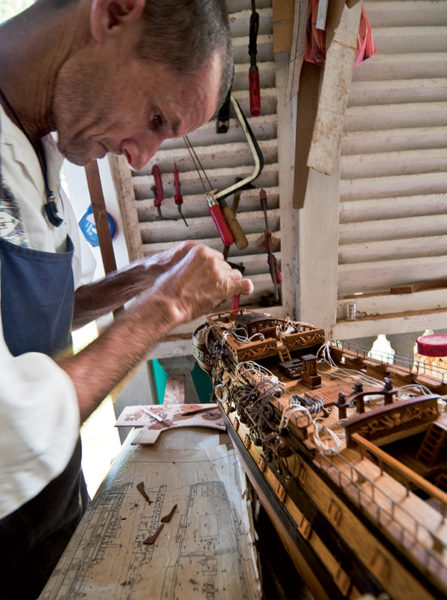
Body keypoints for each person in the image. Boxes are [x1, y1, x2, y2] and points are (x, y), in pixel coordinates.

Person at [0, 0, 253, 597]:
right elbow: (10, 428)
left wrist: (137, 280)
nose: (141, 156)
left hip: (50, 526)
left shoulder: (40, 151)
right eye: (157, 117)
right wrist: (164, 309)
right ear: (115, 12)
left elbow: (34, 321)